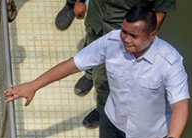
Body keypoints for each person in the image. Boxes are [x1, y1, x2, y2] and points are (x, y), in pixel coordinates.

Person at [5, 5, 189, 138]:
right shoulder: (112, 42)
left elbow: (180, 106)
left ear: (152, 35)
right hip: (113, 118)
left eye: (134, 35)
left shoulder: (170, 61)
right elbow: (72, 64)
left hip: (149, 133)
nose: (125, 38)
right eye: (124, 31)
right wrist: (33, 85)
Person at [68, 0, 176, 129]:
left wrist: (144, 40)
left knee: (104, 78)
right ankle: (89, 74)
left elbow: (161, 11)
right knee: (90, 44)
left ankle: (102, 109)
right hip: (96, 18)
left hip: (122, 36)